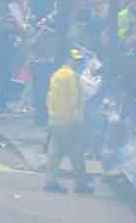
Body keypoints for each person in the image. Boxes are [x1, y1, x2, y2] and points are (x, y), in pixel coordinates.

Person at [44, 49, 91, 194]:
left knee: (55, 152)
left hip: (55, 120)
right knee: (76, 153)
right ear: (68, 60)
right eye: (76, 61)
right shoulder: (73, 77)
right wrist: (79, 121)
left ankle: (50, 181)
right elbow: (74, 100)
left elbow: (49, 97)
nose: (79, 64)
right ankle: (81, 184)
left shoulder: (55, 74)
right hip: (69, 121)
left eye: (80, 61)